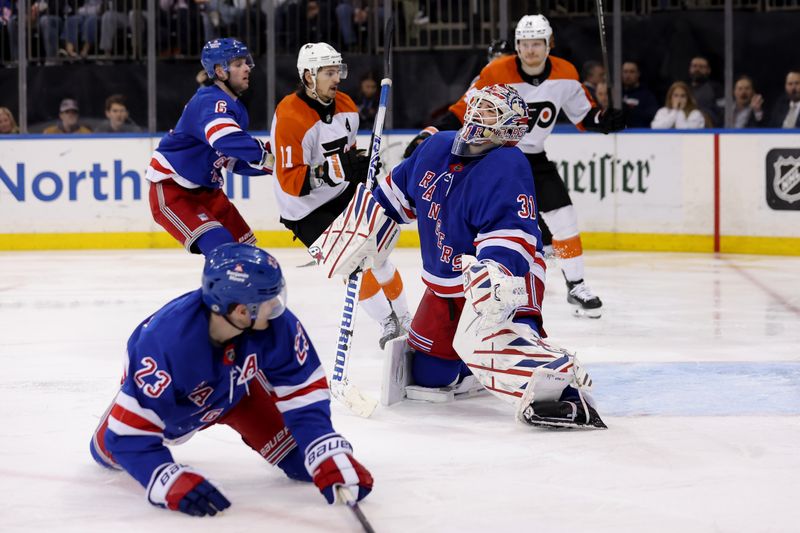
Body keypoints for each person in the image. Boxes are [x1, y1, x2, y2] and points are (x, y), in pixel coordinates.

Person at [316, 85, 606, 429]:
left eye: (490, 111)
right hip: (445, 284)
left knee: (499, 343)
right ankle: (472, 363)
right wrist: (362, 231)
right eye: (478, 105)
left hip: (502, 278)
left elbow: (513, 236)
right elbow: (393, 198)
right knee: (428, 377)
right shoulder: (436, 146)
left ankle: (566, 393)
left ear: (507, 131)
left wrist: (493, 277)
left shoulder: (507, 164)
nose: (477, 113)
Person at [89, 243, 373, 516]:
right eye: (267, 299)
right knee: (107, 452)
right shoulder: (165, 345)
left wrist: (322, 447)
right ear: (240, 310)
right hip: (175, 409)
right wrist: (164, 477)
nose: (276, 306)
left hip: (239, 394)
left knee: (303, 464)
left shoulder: (277, 326)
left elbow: (302, 390)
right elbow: (127, 438)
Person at [403, 14, 625, 319]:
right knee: (488, 223)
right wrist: (429, 133)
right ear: (516, 46)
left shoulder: (565, 73)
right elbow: (462, 110)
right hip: (494, 157)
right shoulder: (496, 71)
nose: (530, 50)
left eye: (537, 43)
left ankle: (577, 285)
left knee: (564, 217)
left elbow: (583, 115)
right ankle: (476, 285)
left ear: (549, 45)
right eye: (524, 43)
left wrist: (604, 121)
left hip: (532, 156)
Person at [271, 42, 412, 348]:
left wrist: (361, 166)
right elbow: (290, 182)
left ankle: (406, 318)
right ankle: (387, 322)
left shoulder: (347, 106)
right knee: (352, 264)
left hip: (340, 193)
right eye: (329, 72)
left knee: (380, 254)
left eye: (338, 71)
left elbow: (344, 156)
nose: (337, 78)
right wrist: (334, 170)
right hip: (304, 209)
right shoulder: (290, 117)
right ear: (309, 76)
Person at [145, 38, 273, 256]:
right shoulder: (209, 100)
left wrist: (276, 166)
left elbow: (232, 160)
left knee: (248, 257)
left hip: (209, 193)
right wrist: (269, 158)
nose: (246, 68)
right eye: (237, 63)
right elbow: (224, 138)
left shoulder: (235, 109)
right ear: (220, 71)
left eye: (246, 62)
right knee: (226, 253)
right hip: (173, 189)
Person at [688, 56, 723, 127]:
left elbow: (722, 113)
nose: (697, 69)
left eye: (701, 67)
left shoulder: (716, 88)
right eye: (694, 66)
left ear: (708, 70)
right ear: (689, 69)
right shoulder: (684, 89)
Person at [620, 61, 658, 128]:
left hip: (638, 134)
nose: (628, 75)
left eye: (632, 72)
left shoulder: (647, 96)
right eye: (625, 72)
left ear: (638, 74)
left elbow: (651, 116)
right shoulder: (617, 93)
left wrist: (630, 110)